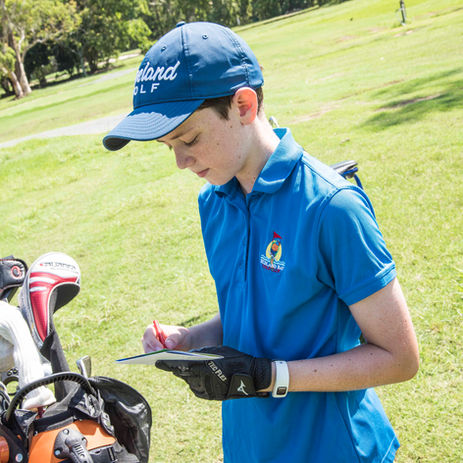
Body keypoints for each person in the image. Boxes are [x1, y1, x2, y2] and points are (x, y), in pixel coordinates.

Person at [103, 21, 419, 463]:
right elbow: (259, 313)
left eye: (189, 138)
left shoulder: (331, 206)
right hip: (249, 446)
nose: (180, 161)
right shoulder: (214, 201)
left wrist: (270, 376)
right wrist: (192, 338)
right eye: (167, 145)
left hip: (331, 449)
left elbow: (399, 358)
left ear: (244, 105)